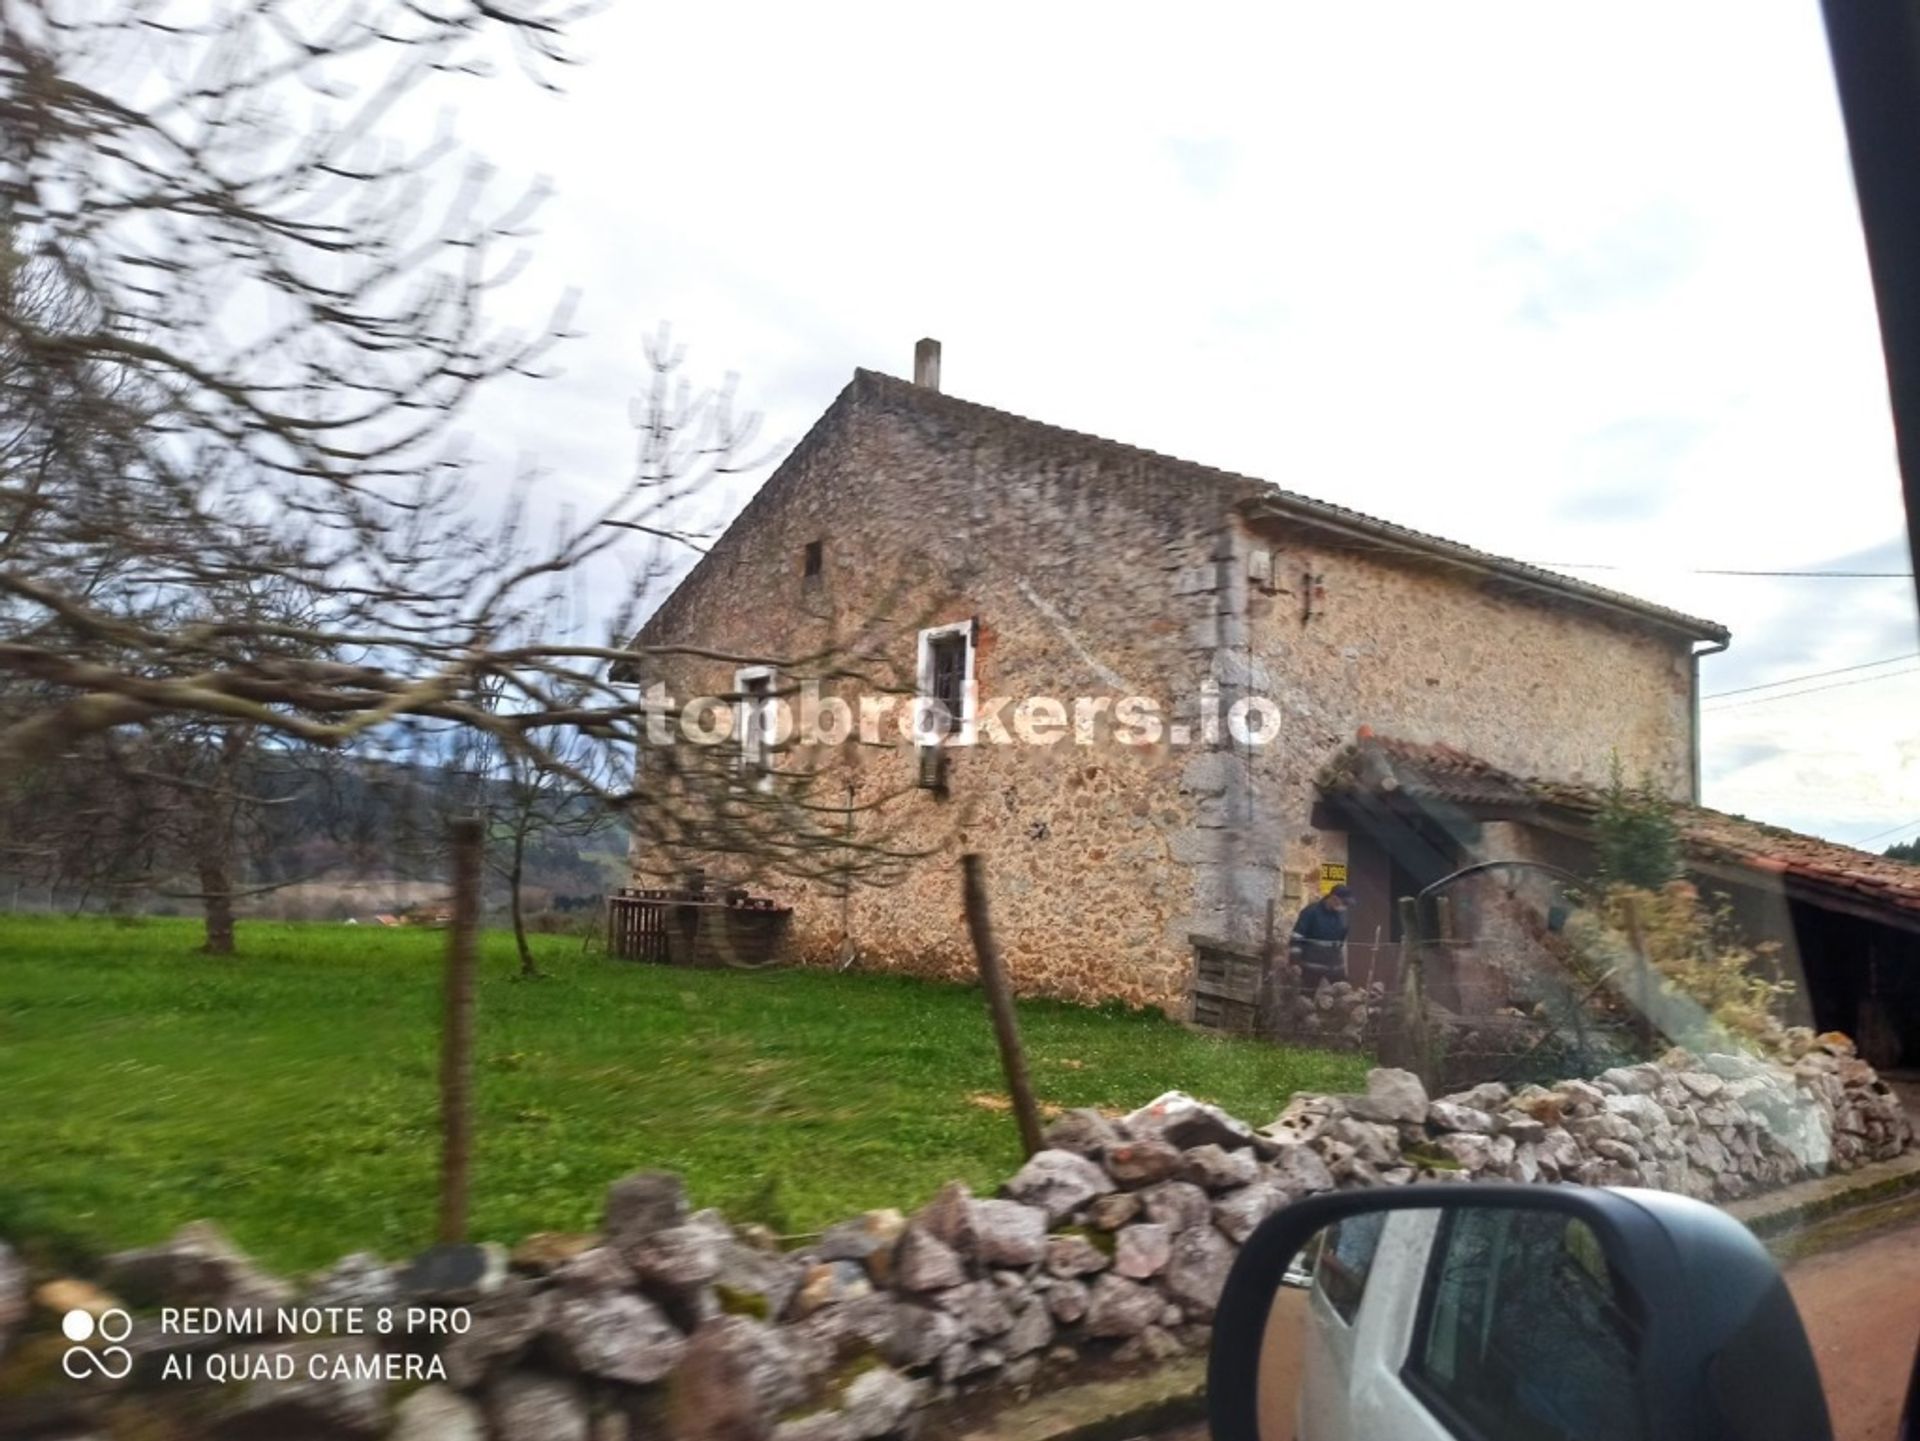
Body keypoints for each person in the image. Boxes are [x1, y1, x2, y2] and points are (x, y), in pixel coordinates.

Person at [1290, 883, 1352, 990]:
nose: (1345, 907)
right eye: (1344, 903)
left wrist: (1343, 966)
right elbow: (1297, 937)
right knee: (1306, 999)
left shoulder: (1341, 917)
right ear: (1334, 898)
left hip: (1335, 968)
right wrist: (1294, 962)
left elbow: (1341, 943)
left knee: (1343, 997)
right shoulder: (1311, 912)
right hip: (1311, 968)